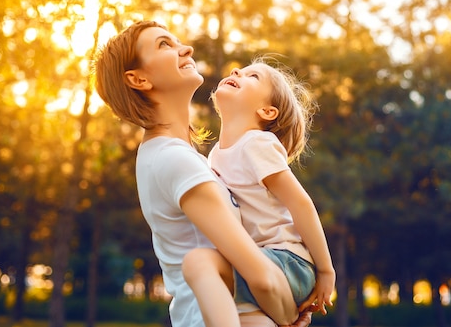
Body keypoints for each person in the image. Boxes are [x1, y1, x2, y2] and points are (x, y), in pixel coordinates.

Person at [92, 20, 312, 327]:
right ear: (138, 79)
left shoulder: (179, 158)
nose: (187, 48)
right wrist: (293, 313)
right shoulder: (174, 160)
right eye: (164, 45)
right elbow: (262, 279)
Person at [182, 57, 335, 326]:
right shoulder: (216, 155)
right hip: (260, 260)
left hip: (288, 260)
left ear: (267, 111)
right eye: (240, 70)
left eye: (253, 77)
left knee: (202, 264)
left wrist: (325, 269)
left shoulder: (257, 144)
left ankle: (284, 314)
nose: (237, 70)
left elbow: (301, 204)